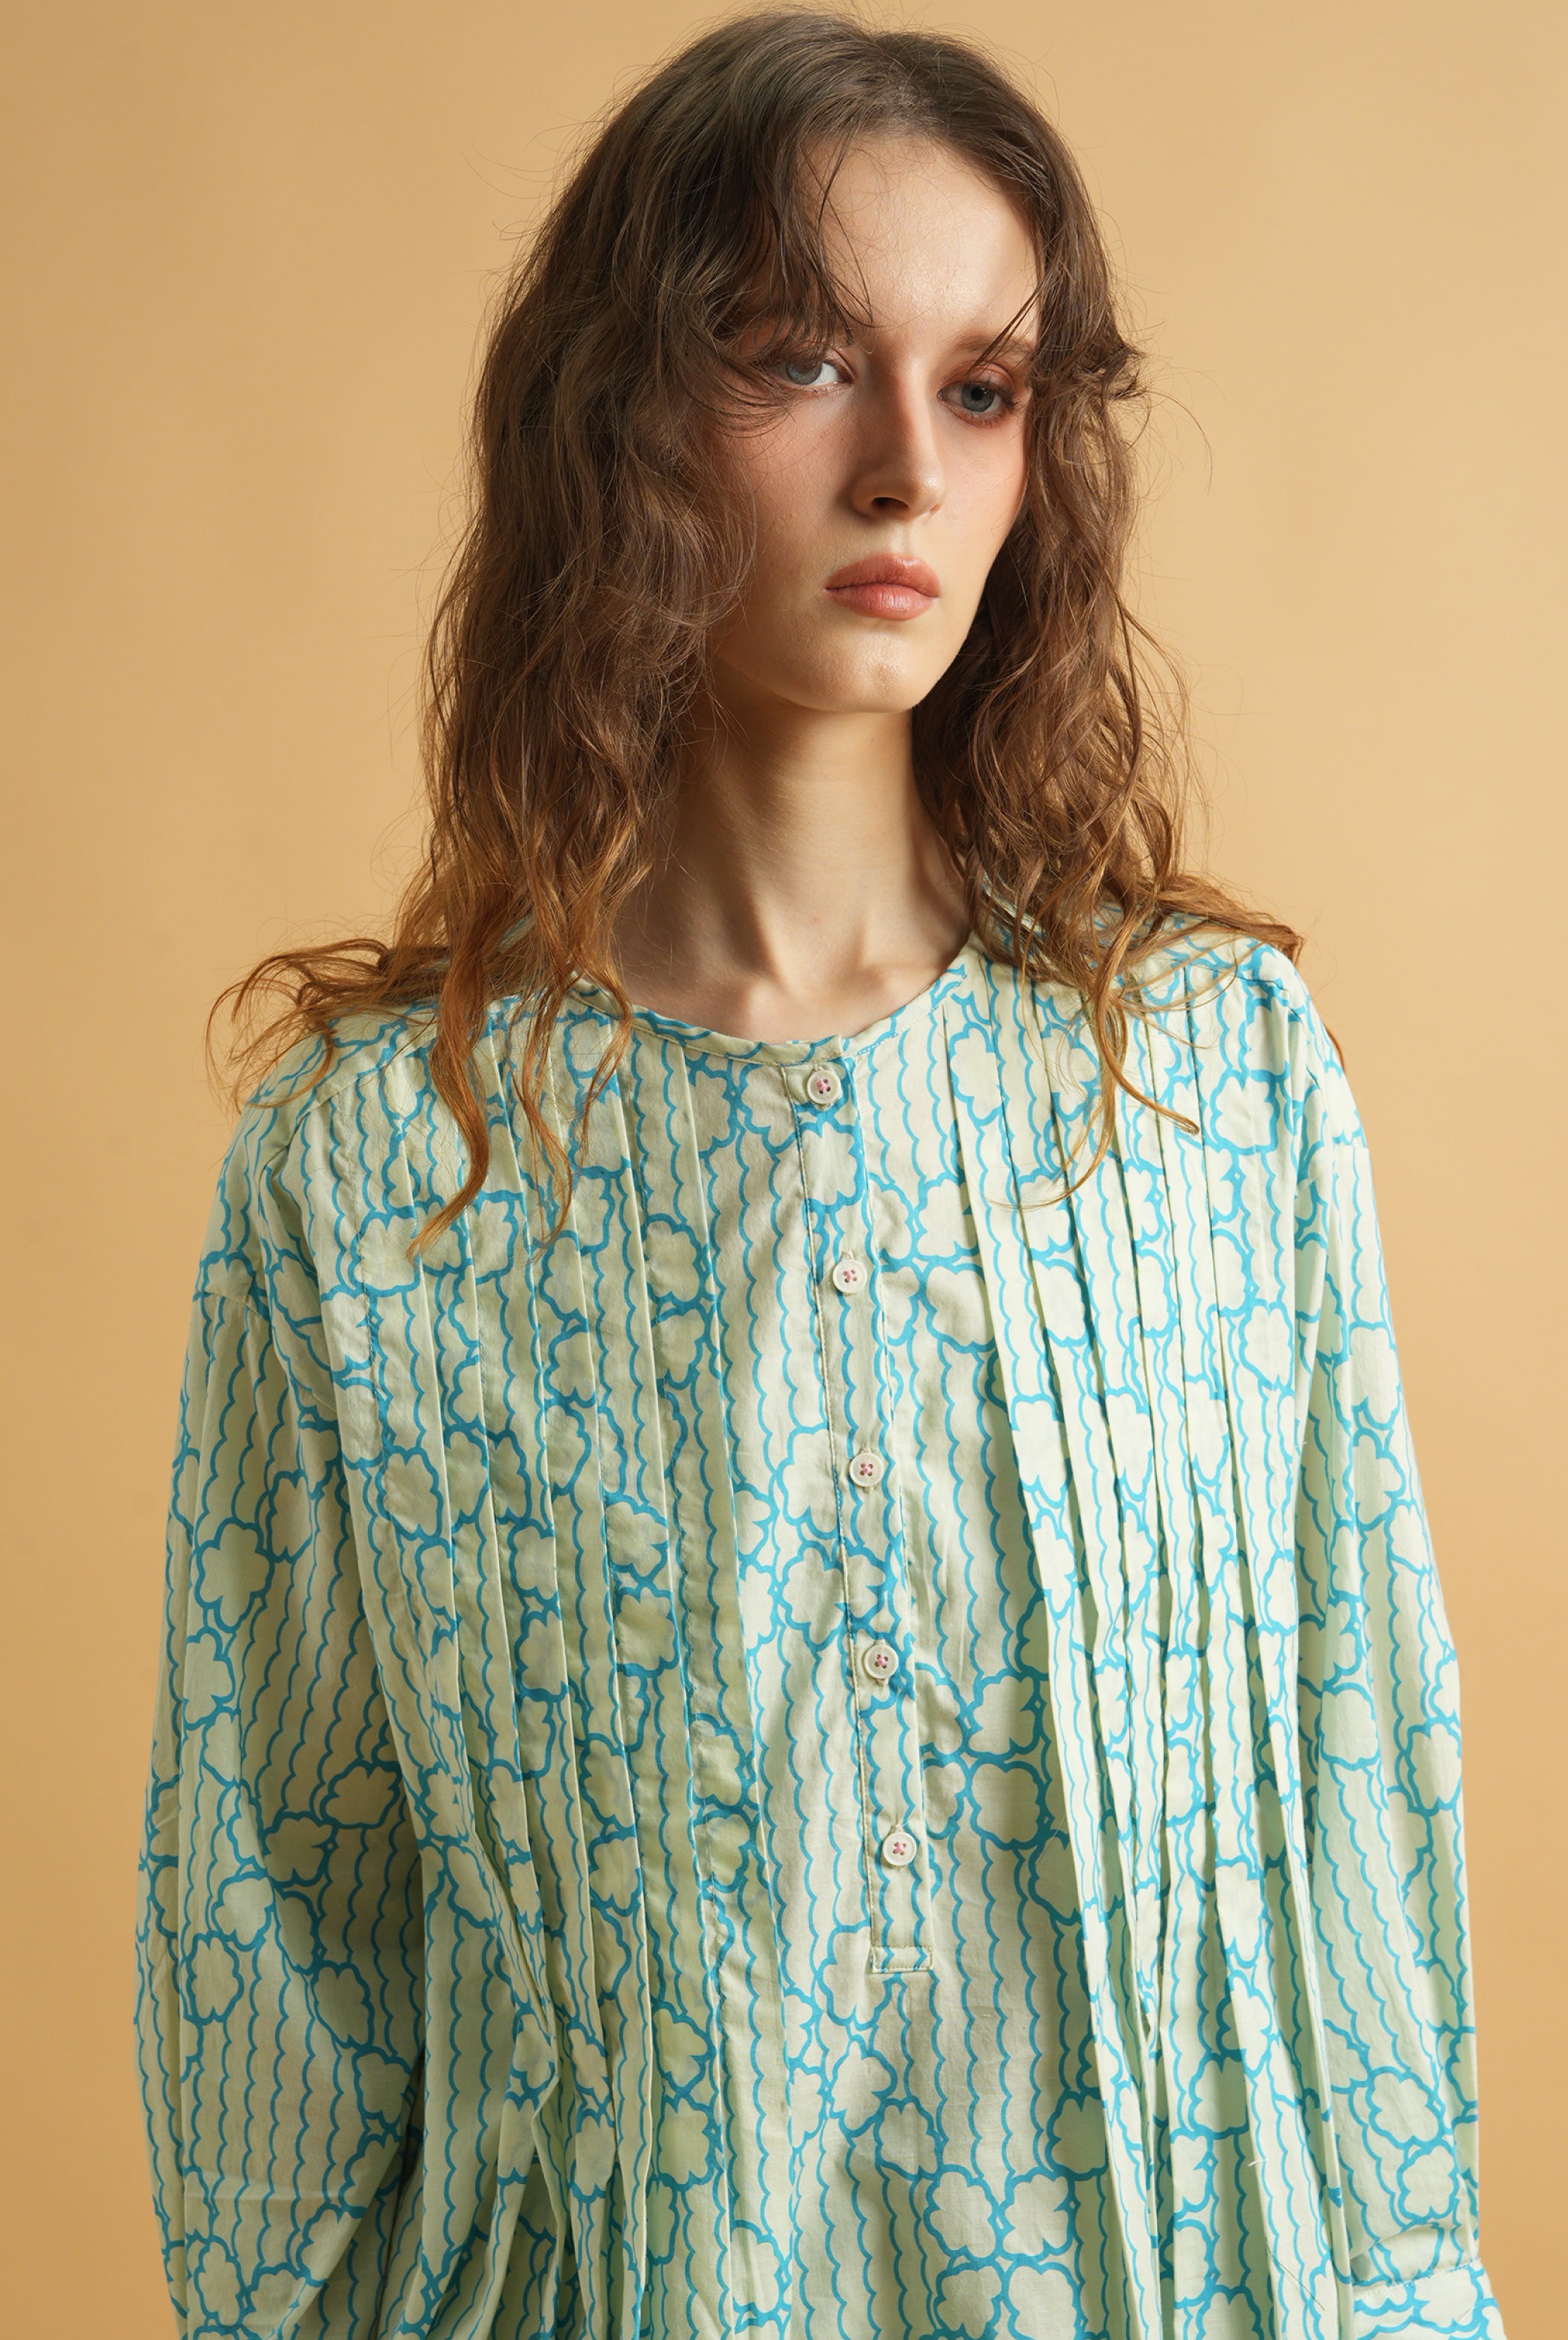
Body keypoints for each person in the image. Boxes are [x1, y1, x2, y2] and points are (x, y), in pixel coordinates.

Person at [133, 11, 1508, 2338]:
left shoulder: (1211, 1083)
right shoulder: (374, 1171)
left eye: (982, 387)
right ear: (617, 420)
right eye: (800, 361)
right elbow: (264, 1934)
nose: (905, 470)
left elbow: (1358, 1794)